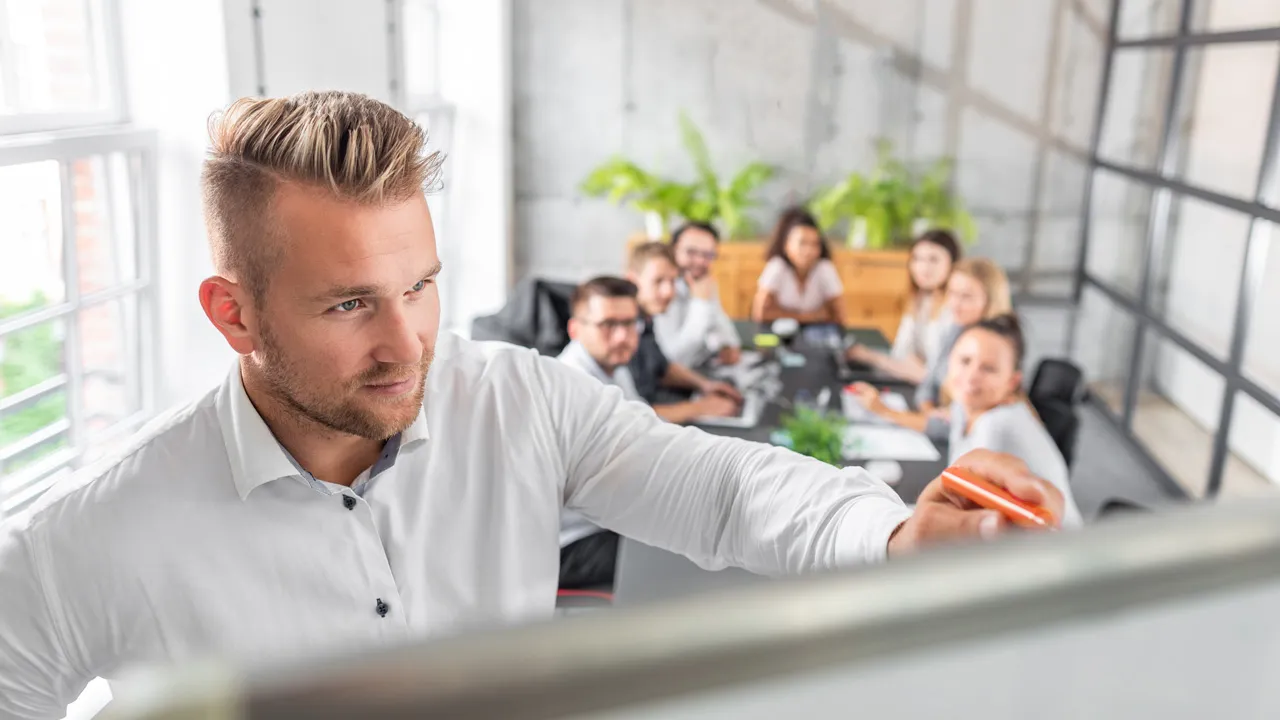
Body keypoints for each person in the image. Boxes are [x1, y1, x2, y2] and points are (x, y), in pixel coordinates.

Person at [0, 91, 1064, 717]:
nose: (405, 341)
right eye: (347, 304)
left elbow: (722, 491)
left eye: (419, 284)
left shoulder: (512, 399)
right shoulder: (96, 535)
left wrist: (888, 534)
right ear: (232, 316)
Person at [946, 315, 1083, 527]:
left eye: (989, 369)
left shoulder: (998, 424)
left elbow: (961, 509)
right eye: (965, 361)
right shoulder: (965, 407)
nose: (972, 375)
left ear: (1012, 382)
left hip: (1051, 551)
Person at [850, 257, 1012, 436]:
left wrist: (884, 410)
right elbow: (928, 385)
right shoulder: (956, 329)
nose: (954, 304)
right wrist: (930, 412)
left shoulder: (991, 351)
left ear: (990, 301)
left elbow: (955, 428)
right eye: (951, 293)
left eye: (966, 297)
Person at [556, 276, 645, 589]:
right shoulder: (572, 386)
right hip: (568, 544)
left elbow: (646, 431)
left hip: (604, 519)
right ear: (575, 329)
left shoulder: (612, 365)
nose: (623, 336)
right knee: (677, 554)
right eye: (608, 324)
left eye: (631, 323)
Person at [625, 242, 744, 424]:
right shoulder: (622, 334)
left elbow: (663, 368)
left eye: (672, 281)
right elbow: (630, 416)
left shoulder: (645, 321)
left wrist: (706, 385)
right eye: (658, 281)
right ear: (632, 280)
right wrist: (701, 408)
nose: (668, 292)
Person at [847, 229, 961, 383]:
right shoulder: (921, 300)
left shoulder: (955, 310)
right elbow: (901, 353)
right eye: (917, 259)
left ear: (952, 264)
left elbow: (933, 378)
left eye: (933, 259)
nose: (923, 267)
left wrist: (871, 357)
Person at [654, 221, 743, 367]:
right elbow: (672, 359)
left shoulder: (702, 282)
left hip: (701, 369)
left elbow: (725, 333)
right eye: (691, 252)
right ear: (673, 250)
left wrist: (726, 345)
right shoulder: (662, 291)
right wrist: (700, 303)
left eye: (708, 255)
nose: (700, 261)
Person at [752, 207, 845, 326]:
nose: (808, 251)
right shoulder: (777, 267)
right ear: (787, 245)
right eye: (802, 243)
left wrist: (782, 314)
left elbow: (839, 316)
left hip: (816, 335)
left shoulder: (825, 269)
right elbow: (760, 314)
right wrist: (809, 317)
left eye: (814, 244)